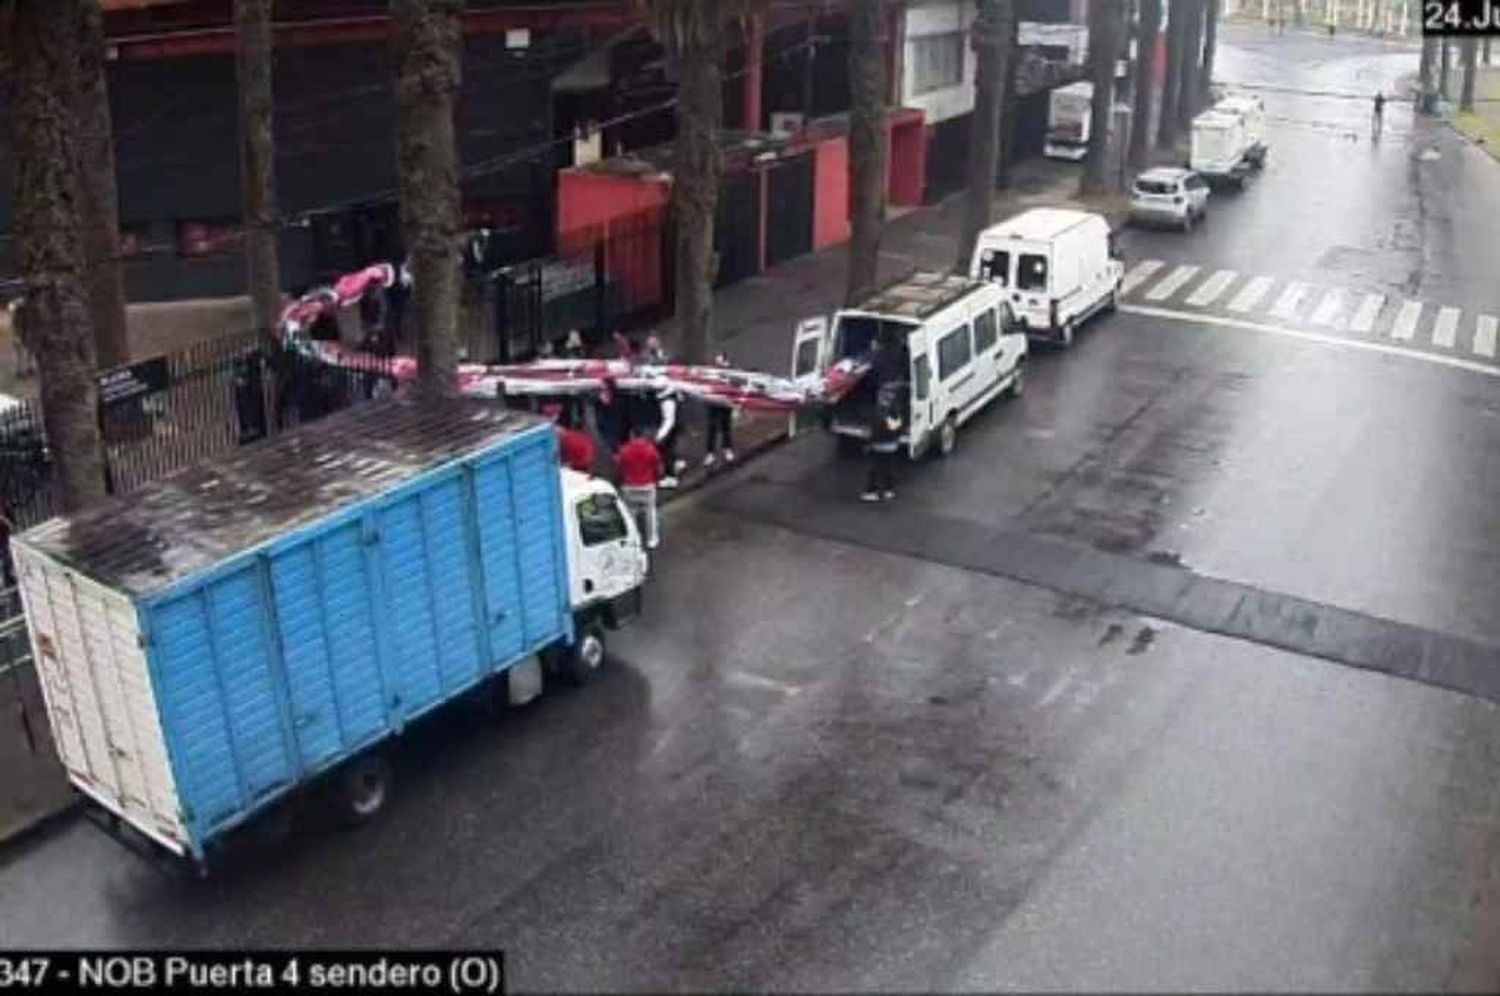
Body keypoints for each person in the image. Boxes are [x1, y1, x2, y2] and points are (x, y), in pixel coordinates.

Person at [615, 425, 662, 550]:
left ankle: (634, 539)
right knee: (650, 512)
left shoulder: (624, 450)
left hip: (629, 486)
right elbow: (658, 467)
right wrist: (656, 479)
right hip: (647, 485)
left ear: (632, 435)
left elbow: (619, 467)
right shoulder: (650, 449)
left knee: (630, 514)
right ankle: (652, 539)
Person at [863, 384, 904, 503]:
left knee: (875, 469)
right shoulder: (895, 411)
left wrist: (868, 444)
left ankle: (872, 492)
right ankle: (888, 490)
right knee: (888, 468)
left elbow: (875, 431)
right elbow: (897, 428)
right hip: (891, 445)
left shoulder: (878, 413)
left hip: (879, 445)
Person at [703, 352, 736, 468]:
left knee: (726, 427)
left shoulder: (730, 373)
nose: (718, 364)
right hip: (713, 404)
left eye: (720, 362)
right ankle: (710, 453)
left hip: (725, 404)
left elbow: (734, 388)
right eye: (717, 362)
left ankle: (727, 449)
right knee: (712, 428)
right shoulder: (711, 373)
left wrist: (734, 405)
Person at [654, 380, 685, 488]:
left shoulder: (667, 401)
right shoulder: (676, 395)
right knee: (671, 449)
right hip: (676, 425)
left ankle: (671, 478)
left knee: (667, 452)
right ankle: (677, 464)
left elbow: (669, 420)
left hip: (670, 429)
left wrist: (660, 435)